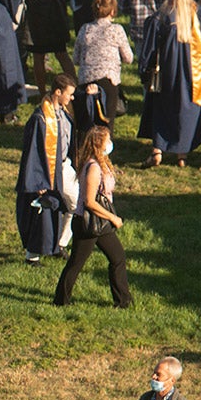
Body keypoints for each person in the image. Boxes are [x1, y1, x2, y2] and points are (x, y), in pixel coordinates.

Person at [137, 0, 201, 167]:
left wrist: (145, 71)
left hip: (167, 73)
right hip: (193, 74)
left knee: (162, 108)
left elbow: (149, 48)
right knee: (188, 109)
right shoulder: (199, 15)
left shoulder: (162, 15)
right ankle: (182, 154)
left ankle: (157, 150)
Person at [54, 124, 130, 308]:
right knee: (78, 263)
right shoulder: (94, 167)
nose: (110, 143)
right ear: (99, 144)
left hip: (94, 222)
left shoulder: (97, 162)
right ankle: (61, 300)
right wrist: (113, 218)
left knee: (116, 258)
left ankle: (123, 301)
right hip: (89, 223)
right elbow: (89, 201)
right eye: (107, 141)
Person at [15, 74, 74, 263]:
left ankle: (59, 244)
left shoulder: (63, 113)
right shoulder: (40, 118)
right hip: (46, 172)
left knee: (71, 205)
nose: (71, 98)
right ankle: (32, 256)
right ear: (58, 92)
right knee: (42, 212)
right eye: (69, 94)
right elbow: (32, 151)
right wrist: (39, 180)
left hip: (63, 167)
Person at [71, 0, 132, 136]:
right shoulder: (116, 30)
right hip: (108, 80)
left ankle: (84, 149)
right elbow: (128, 58)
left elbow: (75, 59)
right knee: (106, 121)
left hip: (86, 79)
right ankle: (104, 150)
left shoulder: (85, 29)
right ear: (112, 11)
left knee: (86, 120)